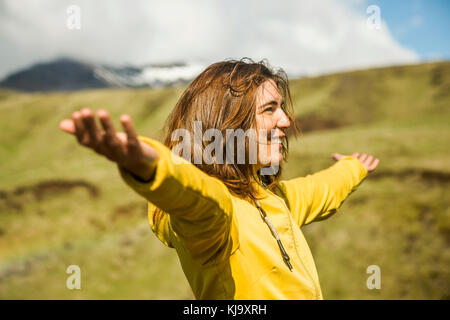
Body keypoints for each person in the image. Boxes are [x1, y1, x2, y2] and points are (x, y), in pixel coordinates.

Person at [59, 59, 379, 299]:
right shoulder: (216, 213)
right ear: (228, 124)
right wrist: (148, 164)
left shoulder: (272, 199)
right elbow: (189, 193)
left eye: (281, 108)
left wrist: (353, 168)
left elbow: (320, 190)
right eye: (270, 109)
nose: (286, 120)